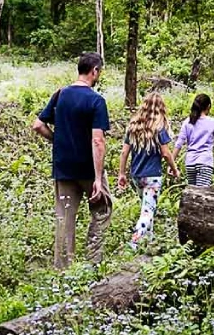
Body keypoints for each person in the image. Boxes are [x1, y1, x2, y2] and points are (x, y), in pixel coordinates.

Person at [32, 52, 112, 269]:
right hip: (87, 168)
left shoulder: (60, 95)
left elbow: (38, 125)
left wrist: (57, 140)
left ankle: (64, 268)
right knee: (102, 210)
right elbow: (97, 141)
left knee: (64, 218)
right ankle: (93, 259)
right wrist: (97, 177)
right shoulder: (96, 100)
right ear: (94, 71)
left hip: (64, 168)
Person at [117, 92, 180, 247]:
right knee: (148, 211)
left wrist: (122, 173)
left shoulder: (133, 126)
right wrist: (175, 169)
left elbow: (124, 152)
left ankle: (150, 241)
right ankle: (135, 242)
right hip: (152, 176)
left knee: (147, 207)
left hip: (136, 176)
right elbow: (166, 153)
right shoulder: (159, 128)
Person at [173, 93, 214, 188]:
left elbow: (179, 144)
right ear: (208, 106)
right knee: (201, 194)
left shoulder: (187, 122)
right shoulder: (213, 122)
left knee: (192, 194)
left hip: (190, 163)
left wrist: (172, 162)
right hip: (205, 162)